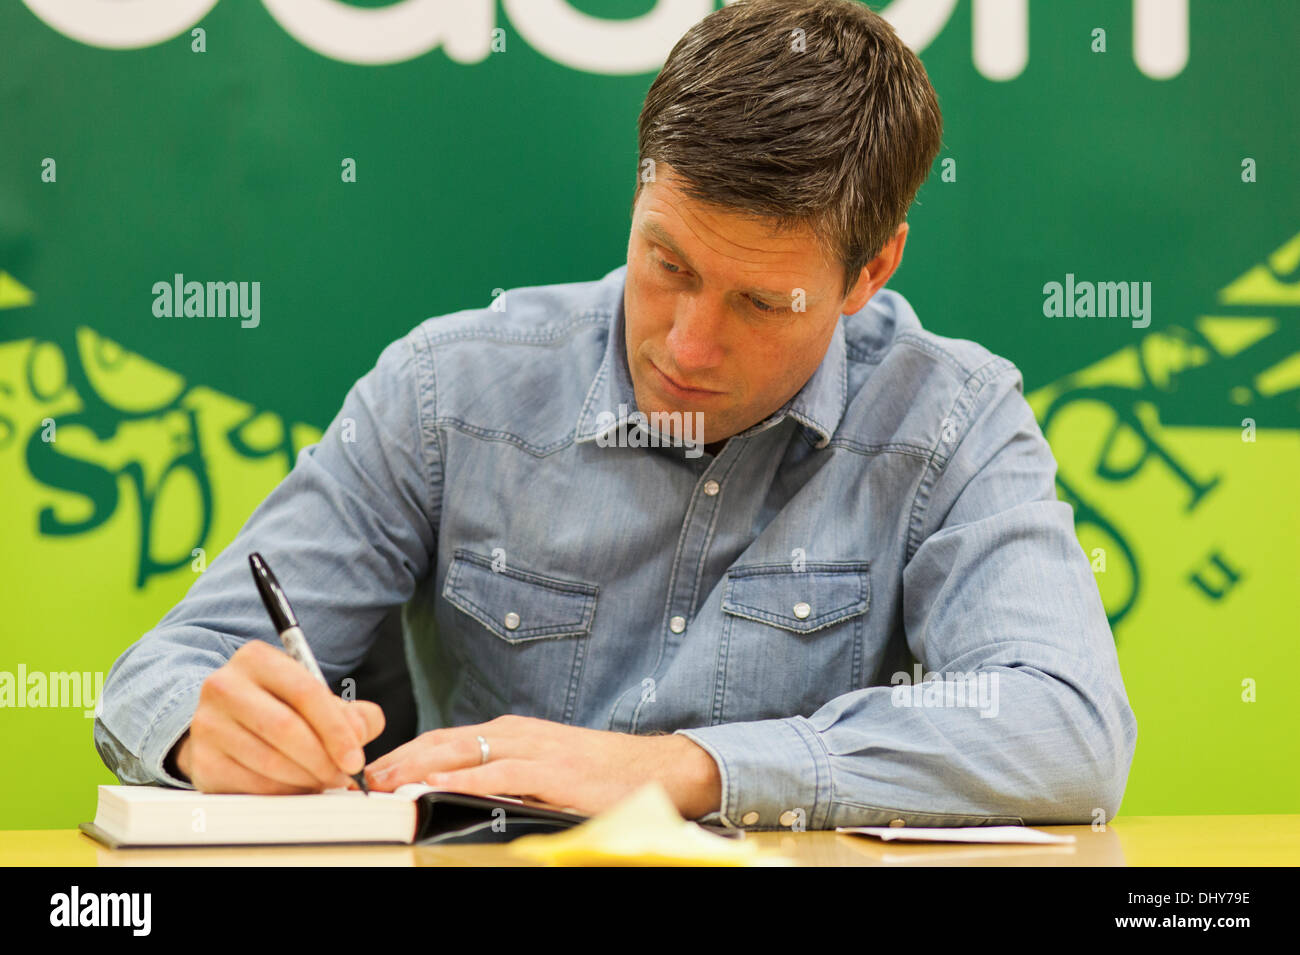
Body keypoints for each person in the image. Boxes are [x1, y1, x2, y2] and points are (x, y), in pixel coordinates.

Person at [94, 0, 1136, 830]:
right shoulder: (446, 392)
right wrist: (205, 733)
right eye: (666, 261)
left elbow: (1067, 726)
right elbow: (157, 677)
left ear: (871, 269)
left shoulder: (948, 415)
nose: (684, 344)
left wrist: (683, 770)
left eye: (762, 303)